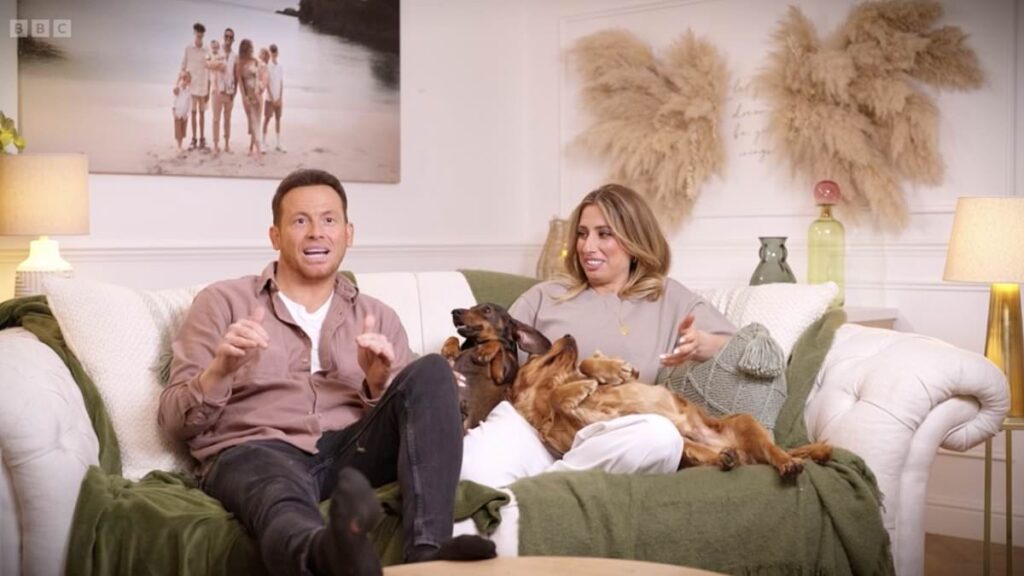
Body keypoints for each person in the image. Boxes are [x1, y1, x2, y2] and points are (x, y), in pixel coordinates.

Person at [159, 169, 493, 576]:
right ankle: (322, 554)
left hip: (349, 453)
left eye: (329, 220)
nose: (317, 232)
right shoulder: (222, 302)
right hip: (256, 450)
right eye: (300, 221)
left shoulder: (378, 316)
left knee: (433, 371)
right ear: (275, 236)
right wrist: (221, 370)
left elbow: (420, 426)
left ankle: (428, 556)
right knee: (278, 495)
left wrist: (378, 385)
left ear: (348, 233)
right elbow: (173, 422)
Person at [460, 183, 736, 488]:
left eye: (604, 234)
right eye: (582, 234)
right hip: (537, 430)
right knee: (469, 468)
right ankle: (556, 488)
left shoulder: (668, 297)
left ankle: (544, 489)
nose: (587, 246)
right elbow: (497, 360)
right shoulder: (545, 295)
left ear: (634, 240)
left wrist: (704, 344)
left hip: (611, 435)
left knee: (661, 436)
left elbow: (739, 346)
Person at [180, 22, 210, 151]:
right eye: (197, 32)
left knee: (202, 114)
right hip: (192, 87)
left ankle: (202, 139)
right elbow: (183, 67)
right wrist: (185, 76)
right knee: (193, 113)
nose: (199, 35)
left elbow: (209, 70)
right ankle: (193, 139)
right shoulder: (188, 48)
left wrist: (209, 88)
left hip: (203, 86)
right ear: (194, 33)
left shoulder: (207, 50)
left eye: (201, 33)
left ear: (203, 34)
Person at [209, 28, 238, 155]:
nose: (228, 39)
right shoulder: (216, 51)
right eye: (226, 36)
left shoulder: (235, 56)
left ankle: (226, 145)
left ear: (233, 39)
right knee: (216, 119)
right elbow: (208, 66)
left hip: (229, 93)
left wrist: (235, 93)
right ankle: (215, 145)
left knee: (227, 119)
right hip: (217, 91)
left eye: (230, 37)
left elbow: (236, 76)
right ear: (223, 37)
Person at [236, 38, 263, 158]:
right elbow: (240, 83)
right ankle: (258, 150)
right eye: (250, 47)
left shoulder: (255, 60)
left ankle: (252, 147)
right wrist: (244, 97)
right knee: (252, 121)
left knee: (257, 121)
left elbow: (259, 76)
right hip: (248, 95)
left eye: (252, 47)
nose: (252, 49)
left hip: (257, 94)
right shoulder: (240, 63)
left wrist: (260, 88)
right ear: (245, 49)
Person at [263, 43, 285, 152]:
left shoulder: (280, 66)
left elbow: (281, 83)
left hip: (278, 98)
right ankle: (263, 142)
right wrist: (272, 98)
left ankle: (278, 143)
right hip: (269, 99)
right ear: (270, 53)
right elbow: (266, 84)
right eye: (272, 52)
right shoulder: (267, 66)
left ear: (277, 53)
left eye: (275, 52)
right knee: (267, 119)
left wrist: (280, 97)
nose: (274, 54)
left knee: (278, 119)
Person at [172, 70, 192, 156]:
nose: (184, 82)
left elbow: (189, 104)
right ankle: (179, 146)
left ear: (188, 81)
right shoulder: (177, 90)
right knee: (178, 131)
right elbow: (174, 101)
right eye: (182, 79)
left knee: (183, 131)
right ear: (180, 80)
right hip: (178, 113)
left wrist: (187, 114)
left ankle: (181, 145)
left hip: (184, 114)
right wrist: (174, 112)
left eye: (186, 80)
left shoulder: (189, 92)